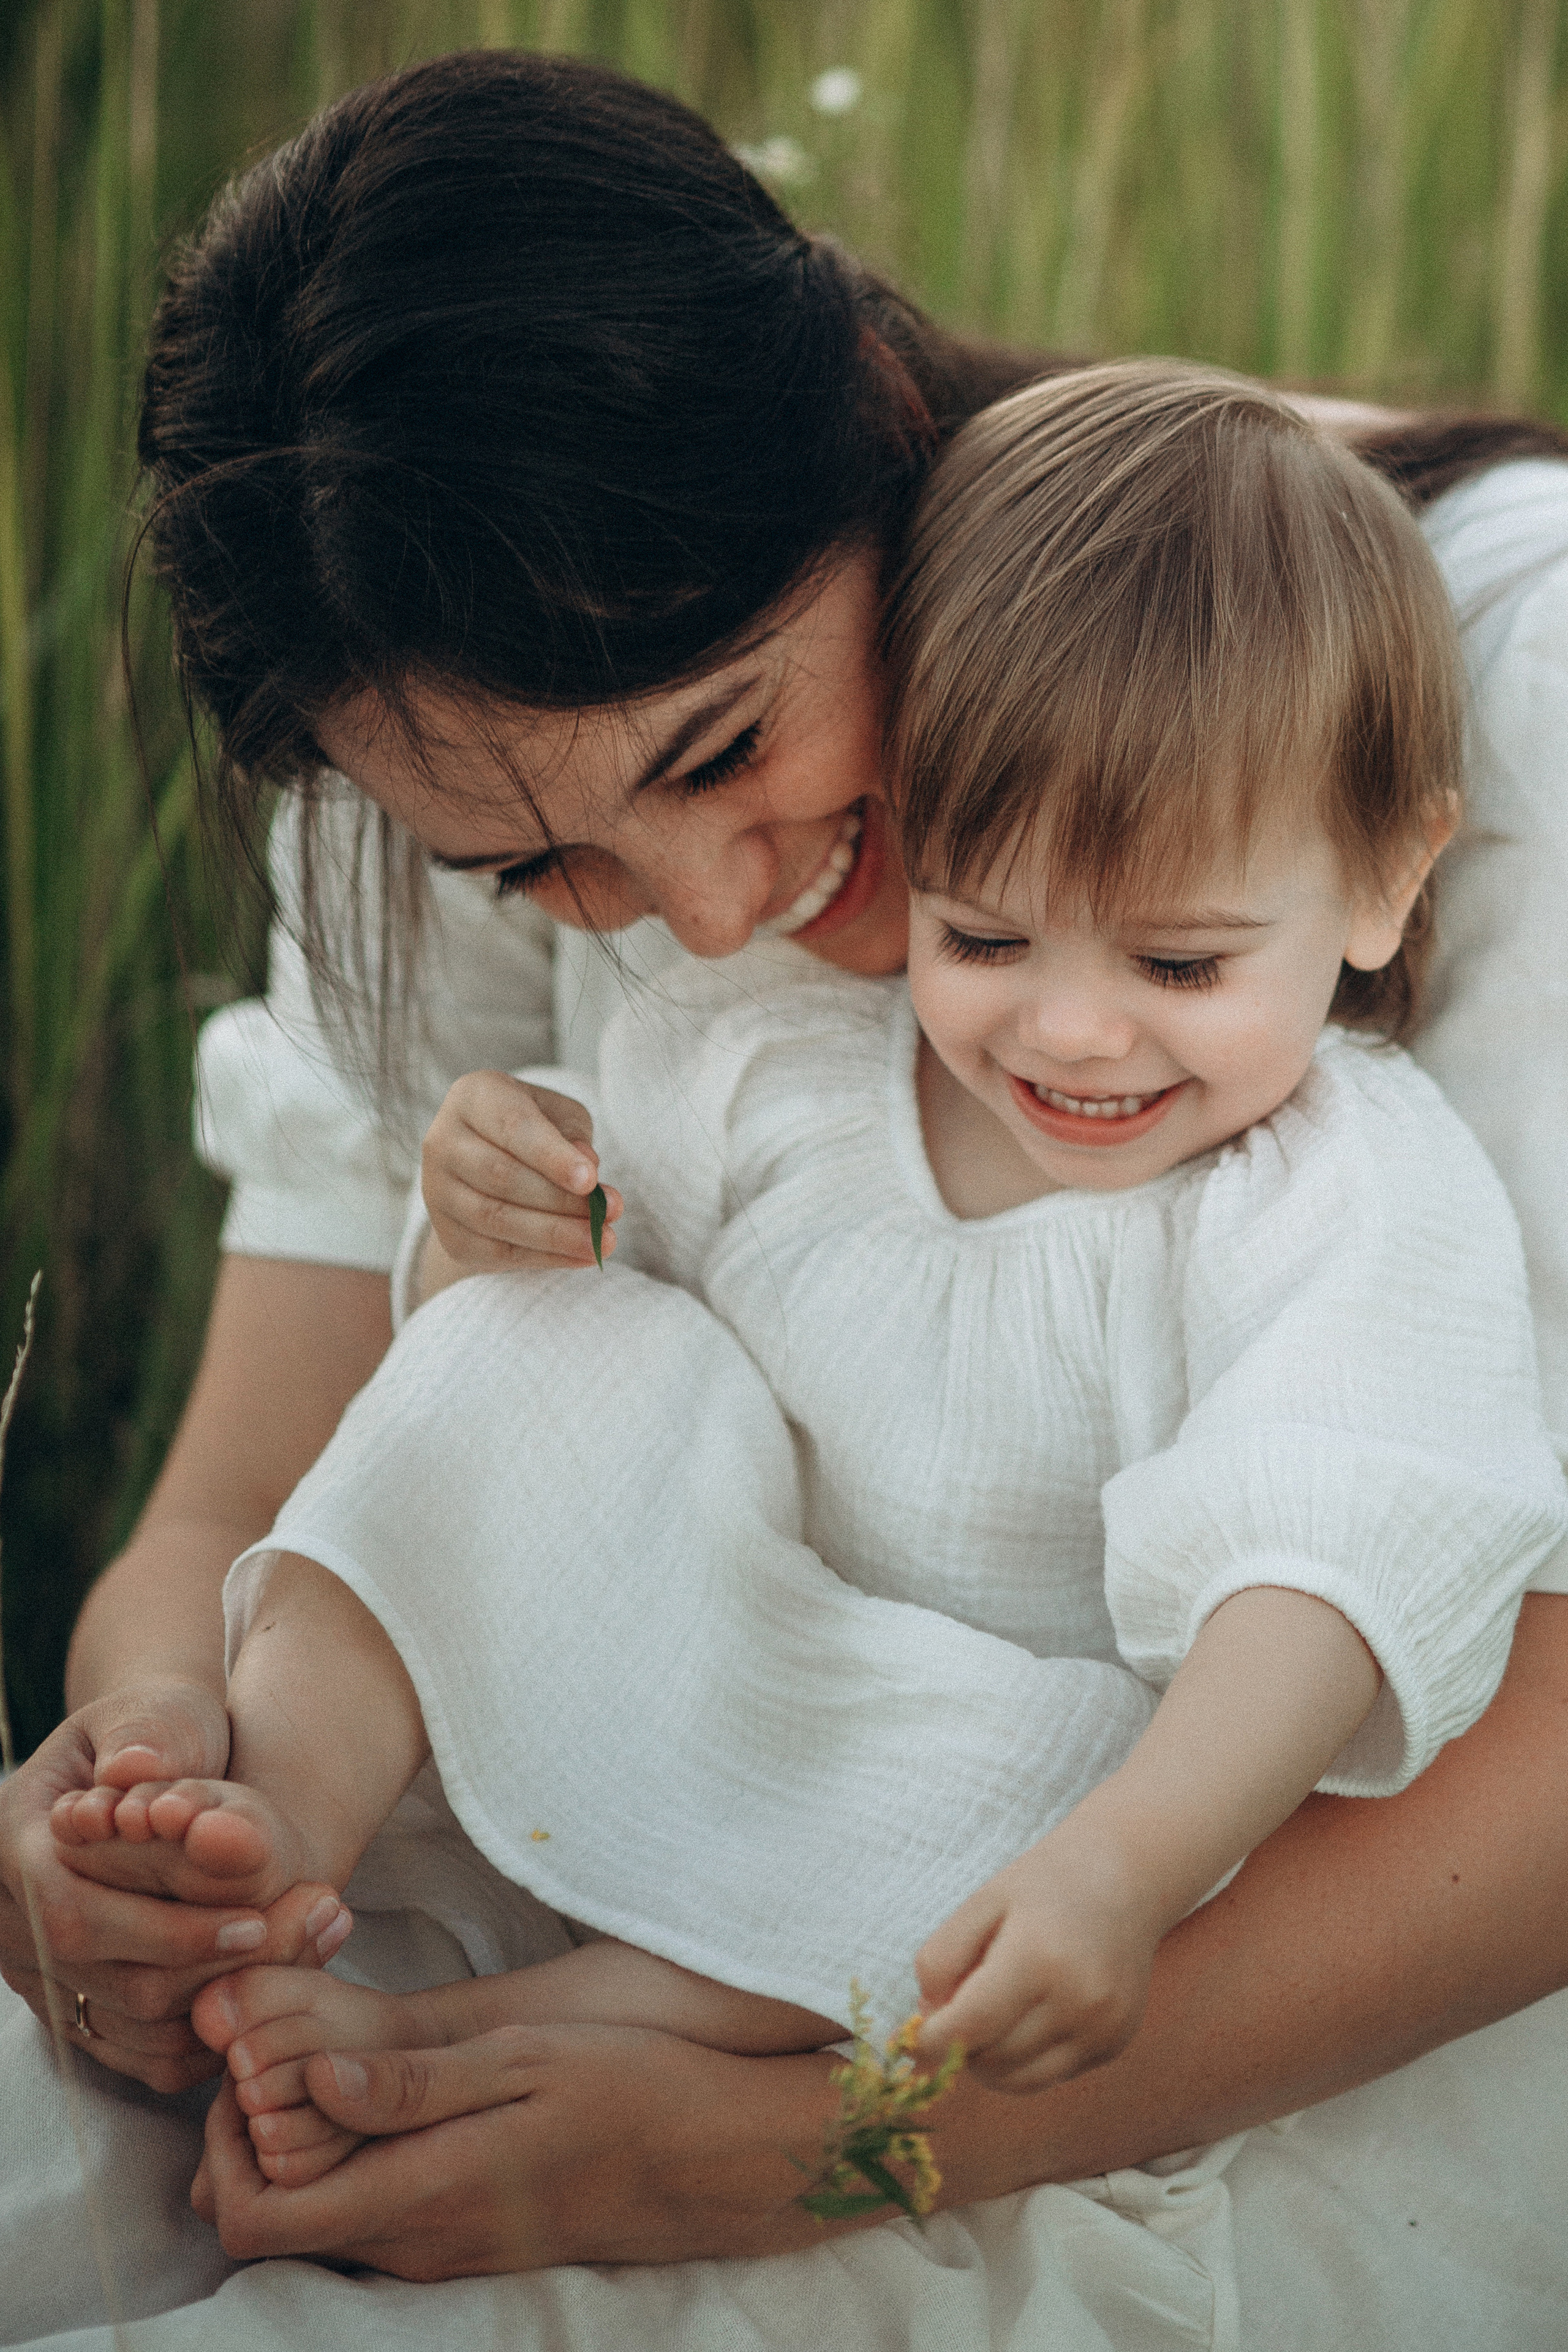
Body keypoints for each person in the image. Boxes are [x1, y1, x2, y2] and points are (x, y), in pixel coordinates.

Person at [3, 47, 1568, 2351]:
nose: (697, 922)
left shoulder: (1488, 676)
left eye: (722, 744)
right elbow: (260, 1483)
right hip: (592, 1797)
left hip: (1222, 1984)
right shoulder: (443, 735)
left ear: (864, 402)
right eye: (538, 867)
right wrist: (134, 1795)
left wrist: (801, 2149)